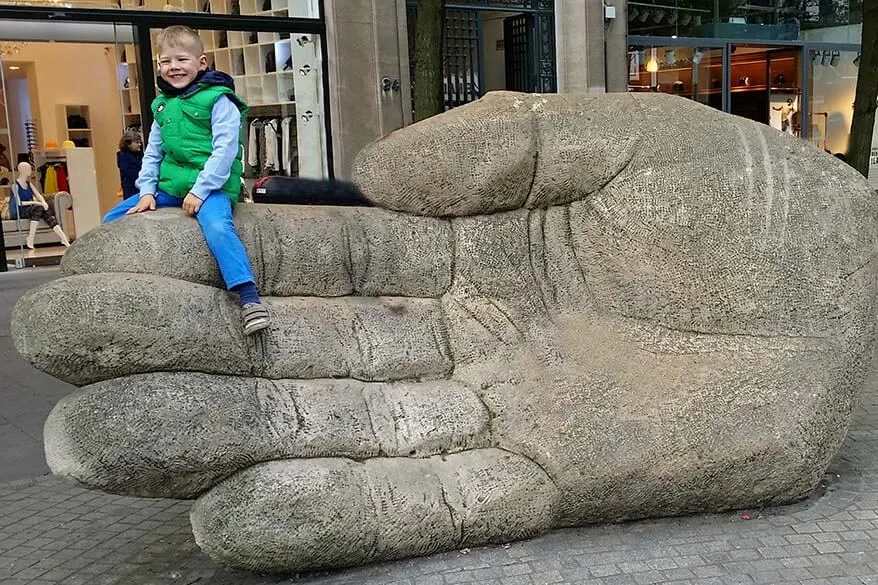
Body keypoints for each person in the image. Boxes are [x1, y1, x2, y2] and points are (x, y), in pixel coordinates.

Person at [102, 25, 269, 336]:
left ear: (201, 62)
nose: (173, 67)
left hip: (211, 186)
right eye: (166, 62)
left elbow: (224, 151)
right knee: (113, 217)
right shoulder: (161, 104)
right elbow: (153, 152)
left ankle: (249, 298)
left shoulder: (219, 100)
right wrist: (147, 192)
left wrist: (201, 190)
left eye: (181, 59)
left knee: (218, 227)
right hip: (171, 186)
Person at [12, 161, 71, 249]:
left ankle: (64, 239)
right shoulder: (15, 185)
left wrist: (43, 202)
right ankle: (31, 238)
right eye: (28, 169)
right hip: (19, 210)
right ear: (22, 170)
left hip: (30, 209)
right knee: (39, 208)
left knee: (44, 211)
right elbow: (19, 203)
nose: (30, 170)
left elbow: (38, 195)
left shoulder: (28, 184)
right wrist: (36, 203)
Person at [116, 130, 144, 199]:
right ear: (128, 144)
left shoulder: (138, 154)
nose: (139, 144)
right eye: (136, 142)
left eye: (139, 142)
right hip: (131, 191)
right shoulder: (124, 157)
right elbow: (134, 174)